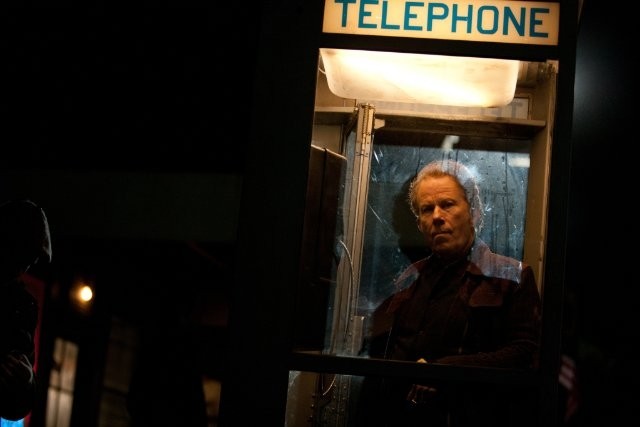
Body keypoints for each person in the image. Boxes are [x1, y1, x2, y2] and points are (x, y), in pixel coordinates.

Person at [356, 159, 542, 427]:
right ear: (419, 224)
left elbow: (525, 354)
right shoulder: (410, 278)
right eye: (426, 209)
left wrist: (445, 370)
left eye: (447, 204)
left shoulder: (510, 277)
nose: (437, 216)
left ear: (474, 213)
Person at [0, 199, 52, 422]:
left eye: (30, 258)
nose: (26, 265)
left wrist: (25, 381)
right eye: (22, 253)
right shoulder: (22, 306)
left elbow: (17, 405)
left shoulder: (22, 307)